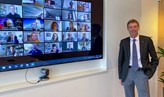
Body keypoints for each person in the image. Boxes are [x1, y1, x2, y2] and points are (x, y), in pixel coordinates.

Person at [118, 19, 159, 97]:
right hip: (127, 73)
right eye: (130, 27)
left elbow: (154, 59)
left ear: (138, 27)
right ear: (128, 29)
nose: (133, 29)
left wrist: (149, 73)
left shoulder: (147, 40)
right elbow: (120, 60)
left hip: (141, 72)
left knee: (144, 95)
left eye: (135, 26)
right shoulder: (123, 42)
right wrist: (121, 76)